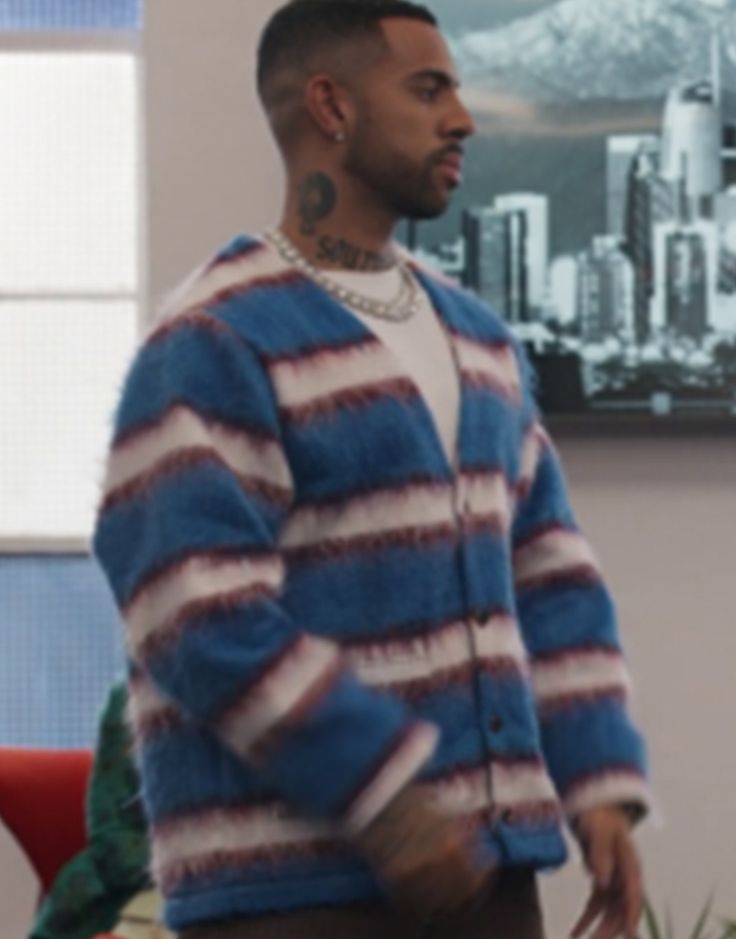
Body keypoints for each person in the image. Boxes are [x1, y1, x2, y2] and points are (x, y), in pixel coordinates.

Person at [93, 2, 650, 937]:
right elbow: (190, 608)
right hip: (288, 897)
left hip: (489, 885)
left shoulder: (480, 343)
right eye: (428, 89)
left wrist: (597, 784)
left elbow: (550, 576)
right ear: (331, 106)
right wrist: (385, 794)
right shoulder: (214, 339)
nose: (463, 117)